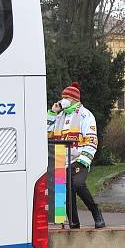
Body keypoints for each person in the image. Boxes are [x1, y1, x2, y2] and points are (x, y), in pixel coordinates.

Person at [47, 82, 106, 229]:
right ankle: (73, 222)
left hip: (80, 159)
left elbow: (91, 139)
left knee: (77, 184)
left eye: (65, 97)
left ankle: (96, 212)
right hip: (61, 160)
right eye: (62, 97)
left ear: (73, 99)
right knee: (63, 190)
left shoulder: (85, 115)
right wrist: (52, 113)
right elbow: (46, 134)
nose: (62, 100)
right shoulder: (59, 115)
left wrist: (82, 160)